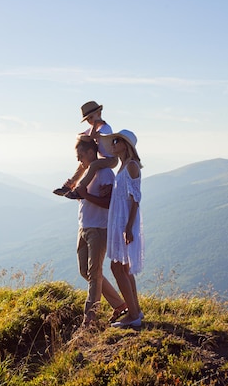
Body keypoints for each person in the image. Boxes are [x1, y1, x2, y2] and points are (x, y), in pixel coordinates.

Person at [72, 138, 129, 327]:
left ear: (90, 152)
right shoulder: (88, 172)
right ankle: (119, 304)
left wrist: (85, 195)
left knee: (94, 272)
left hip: (99, 228)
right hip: (84, 226)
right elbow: (85, 197)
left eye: (81, 156)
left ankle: (90, 317)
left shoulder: (105, 173)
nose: (79, 160)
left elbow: (109, 204)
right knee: (85, 271)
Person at [99, 129, 145, 328]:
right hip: (119, 219)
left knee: (117, 266)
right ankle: (136, 311)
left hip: (124, 220)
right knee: (123, 267)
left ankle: (133, 314)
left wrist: (128, 227)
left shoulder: (132, 166)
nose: (114, 144)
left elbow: (136, 199)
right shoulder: (123, 167)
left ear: (126, 145)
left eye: (117, 141)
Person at [53, 101, 118, 200]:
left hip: (111, 159)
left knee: (93, 165)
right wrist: (85, 134)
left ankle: (79, 189)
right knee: (83, 165)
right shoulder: (94, 127)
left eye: (91, 117)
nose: (90, 121)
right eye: (87, 119)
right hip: (104, 157)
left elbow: (90, 137)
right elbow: (79, 135)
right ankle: (70, 184)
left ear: (99, 114)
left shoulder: (105, 128)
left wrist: (94, 126)